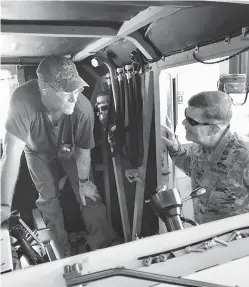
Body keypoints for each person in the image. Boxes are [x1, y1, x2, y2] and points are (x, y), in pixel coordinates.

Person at [0, 55, 119, 256]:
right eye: (66, 91)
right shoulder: (22, 102)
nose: (74, 97)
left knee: (88, 194)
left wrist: (83, 182)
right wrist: (4, 205)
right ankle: (58, 252)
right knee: (48, 199)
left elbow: (83, 150)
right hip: (36, 152)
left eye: (77, 89)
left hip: (70, 150)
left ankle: (104, 246)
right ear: (43, 87)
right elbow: (10, 157)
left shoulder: (82, 108)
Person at [162, 91, 249, 224]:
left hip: (233, 240)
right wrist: (175, 148)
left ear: (213, 129)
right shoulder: (199, 146)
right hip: (204, 235)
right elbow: (194, 170)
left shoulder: (245, 156)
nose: (184, 123)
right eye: (186, 115)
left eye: (191, 121)